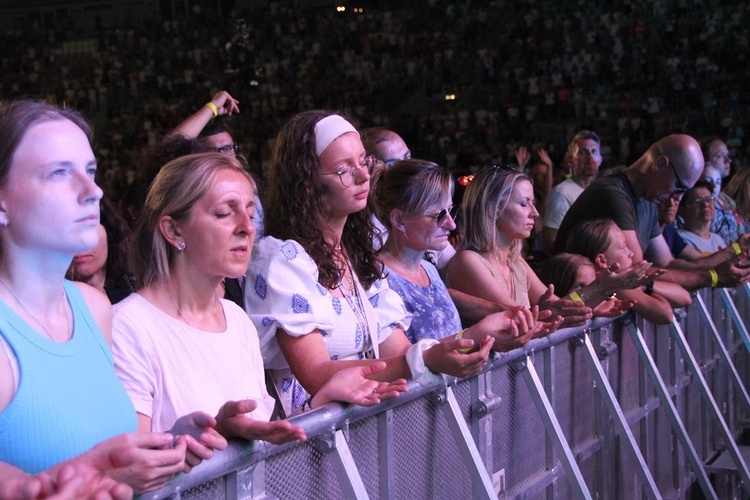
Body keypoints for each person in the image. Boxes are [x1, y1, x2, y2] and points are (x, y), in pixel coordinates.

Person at [113, 152, 398, 448]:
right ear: (173, 230)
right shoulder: (127, 327)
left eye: (250, 214)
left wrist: (320, 403)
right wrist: (216, 435)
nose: (247, 228)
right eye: (225, 213)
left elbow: (262, 442)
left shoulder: (236, 320)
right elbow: (133, 472)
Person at [245, 111, 495, 417]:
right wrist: (424, 360)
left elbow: (400, 352)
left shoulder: (353, 253)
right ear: (306, 183)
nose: (364, 175)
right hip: (308, 447)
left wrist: (479, 337)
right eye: (343, 170)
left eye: (364, 161)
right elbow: (317, 374)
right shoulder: (281, 258)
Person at [0, 100, 187, 496]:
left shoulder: (93, 307)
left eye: (90, 171)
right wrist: (29, 488)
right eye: (58, 173)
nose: (94, 191)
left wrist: (177, 444)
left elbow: (104, 456)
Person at [373, 159, 548, 349]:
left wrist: (482, 341)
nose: (451, 224)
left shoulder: (429, 270)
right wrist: (477, 335)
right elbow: (401, 361)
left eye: (450, 211)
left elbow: (452, 346)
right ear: (399, 219)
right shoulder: (376, 276)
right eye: (438, 215)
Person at [445, 166, 642, 327]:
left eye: (533, 203)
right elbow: (523, 319)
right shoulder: (468, 261)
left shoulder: (515, 260)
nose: (535, 213)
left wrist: (599, 295)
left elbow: (557, 306)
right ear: (493, 210)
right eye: (524, 204)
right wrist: (599, 288)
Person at [555, 134, 750, 290]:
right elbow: (636, 272)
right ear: (659, 165)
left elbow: (666, 263)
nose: (677, 197)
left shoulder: (648, 200)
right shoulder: (612, 194)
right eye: (679, 187)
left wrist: (730, 256)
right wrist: (712, 278)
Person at [566, 218, 692, 324]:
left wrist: (644, 285)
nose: (630, 253)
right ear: (602, 261)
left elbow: (685, 297)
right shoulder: (613, 286)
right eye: (623, 247)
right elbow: (665, 314)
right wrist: (638, 287)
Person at [542, 130, 603, 255]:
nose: (590, 156)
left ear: (600, 159)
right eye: (582, 152)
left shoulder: (601, 192)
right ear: (570, 159)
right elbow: (549, 244)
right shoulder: (561, 194)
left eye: (594, 151)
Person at [67, 196, 135, 304]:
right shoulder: (47, 310)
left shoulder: (129, 302)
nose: (81, 240)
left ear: (110, 233)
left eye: (89, 227)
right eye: (68, 232)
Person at [700, 162, 746, 245]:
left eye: (718, 182)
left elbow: (734, 245)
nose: (714, 186)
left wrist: (740, 254)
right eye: (708, 181)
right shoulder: (692, 210)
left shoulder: (727, 214)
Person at [677, 180, 727, 254]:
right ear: (682, 210)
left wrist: (739, 248)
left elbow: (734, 256)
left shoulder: (718, 239)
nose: (705, 205)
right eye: (697, 201)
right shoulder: (679, 239)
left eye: (709, 199)